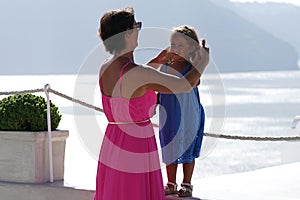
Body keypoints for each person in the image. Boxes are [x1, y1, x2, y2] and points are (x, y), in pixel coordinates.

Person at [95, 7, 209, 200]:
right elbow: (184, 85)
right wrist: (202, 64)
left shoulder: (105, 66)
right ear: (128, 33)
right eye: (136, 26)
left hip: (113, 144)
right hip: (136, 146)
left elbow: (139, 78)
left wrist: (158, 60)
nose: (138, 30)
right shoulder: (138, 74)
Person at [149, 25, 206, 197]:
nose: (175, 48)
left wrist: (199, 61)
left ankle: (187, 183)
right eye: (172, 44)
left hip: (188, 111)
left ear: (191, 48)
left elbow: (194, 83)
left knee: (187, 143)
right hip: (169, 110)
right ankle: (171, 182)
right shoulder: (166, 63)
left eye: (180, 45)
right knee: (169, 145)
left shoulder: (192, 67)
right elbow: (150, 73)